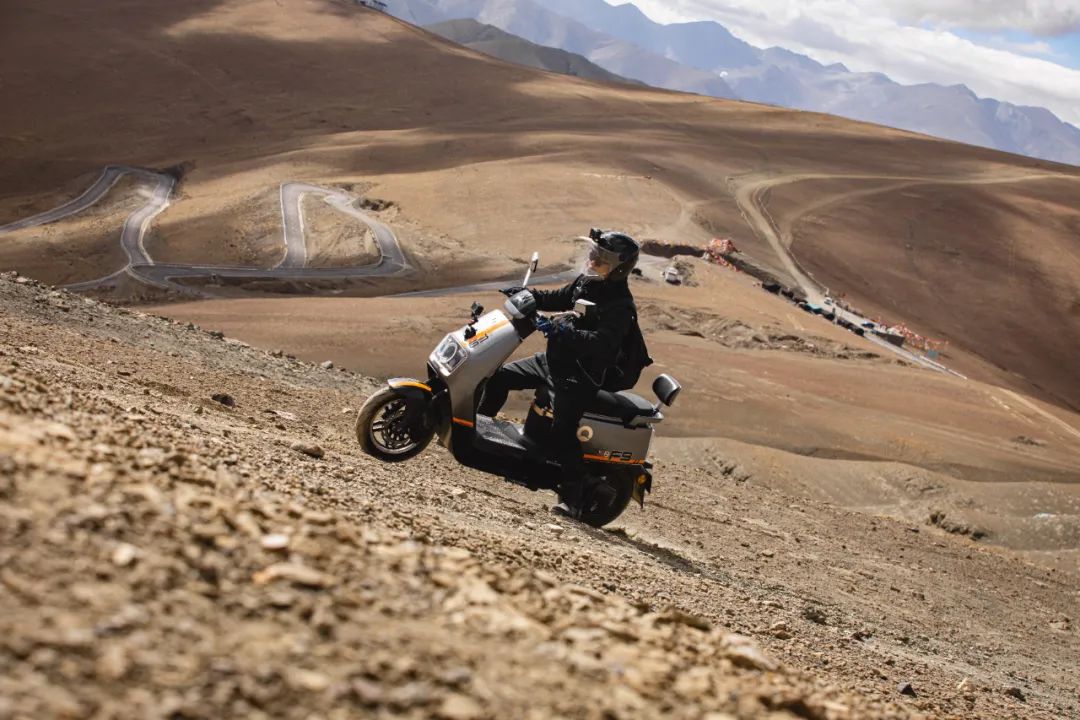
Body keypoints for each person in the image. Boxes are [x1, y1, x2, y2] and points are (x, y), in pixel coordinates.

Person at [477, 229, 642, 518]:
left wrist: (562, 331)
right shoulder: (588, 281)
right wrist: (528, 296)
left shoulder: (621, 306)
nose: (592, 260)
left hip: (579, 375)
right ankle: (478, 436)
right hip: (553, 361)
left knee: (562, 432)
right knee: (500, 377)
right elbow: (560, 297)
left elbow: (602, 346)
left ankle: (573, 496)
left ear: (619, 268)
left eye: (600, 258)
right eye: (593, 254)